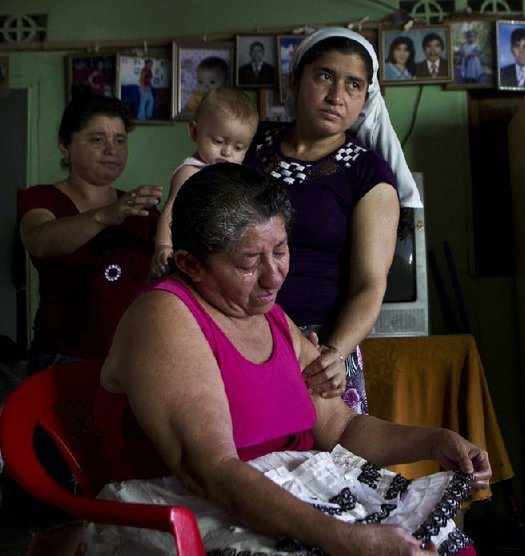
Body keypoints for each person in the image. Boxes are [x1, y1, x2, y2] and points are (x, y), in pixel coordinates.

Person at [90, 163, 491, 553]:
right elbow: (209, 470)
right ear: (190, 264)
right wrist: (346, 540)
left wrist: (435, 442)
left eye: (280, 251)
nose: (274, 276)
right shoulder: (164, 318)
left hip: (285, 494)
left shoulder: (274, 318)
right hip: (190, 507)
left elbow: (341, 428)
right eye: (249, 262)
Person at [245, 28, 416, 416]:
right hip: (237, 333)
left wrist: (334, 353)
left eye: (353, 85)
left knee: (325, 468)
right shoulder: (250, 146)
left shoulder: (368, 174)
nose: (337, 96)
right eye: (324, 76)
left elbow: (370, 284)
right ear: (295, 80)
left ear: (365, 98)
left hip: (321, 351)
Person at [18, 94, 161, 375]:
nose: (112, 150)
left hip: (129, 361)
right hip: (61, 359)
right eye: (97, 139)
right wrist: (105, 215)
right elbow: (39, 240)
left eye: (120, 140)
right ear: (65, 145)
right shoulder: (41, 198)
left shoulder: (140, 207)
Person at [152, 87, 258, 276]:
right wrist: (163, 245)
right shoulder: (191, 172)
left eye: (239, 147)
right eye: (218, 141)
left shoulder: (236, 176)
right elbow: (170, 210)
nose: (227, 153)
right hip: (190, 255)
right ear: (194, 132)